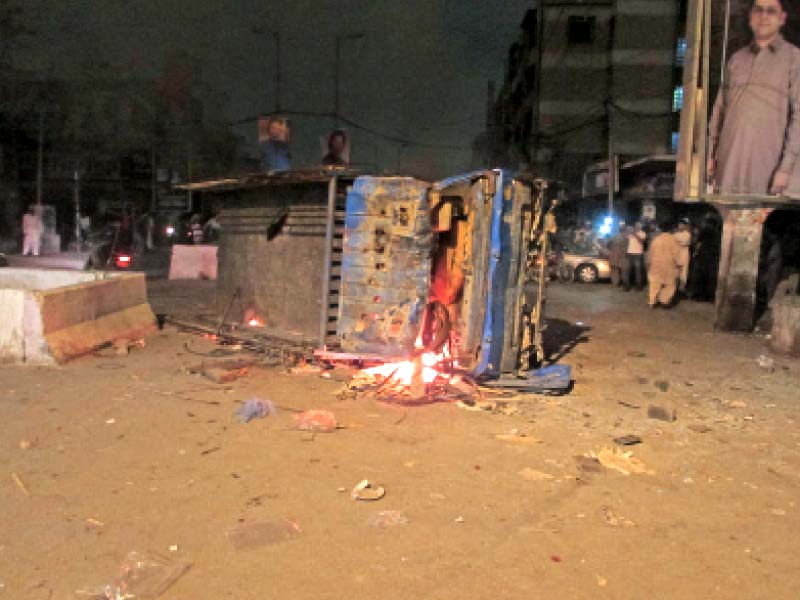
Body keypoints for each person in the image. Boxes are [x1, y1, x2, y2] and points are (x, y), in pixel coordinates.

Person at [708, 0, 800, 195]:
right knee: (729, 223)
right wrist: (709, 154)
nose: (763, 16)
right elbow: (719, 111)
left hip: (768, 170)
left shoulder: (794, 59)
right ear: (750, 16)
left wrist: (786, 169)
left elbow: (799, 116)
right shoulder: (736, 59)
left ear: (782, 18)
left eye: (771, 11)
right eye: (758, 10)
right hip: (728, 167)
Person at [648, 223, 681, 308]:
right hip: (669, 264)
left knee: (654, 283)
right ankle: (664, 301)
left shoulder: (656, 239)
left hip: (656, 264)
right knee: (669, 284)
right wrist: (679, 264)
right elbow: (676, 253)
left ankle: (652, 301)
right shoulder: (673, 240)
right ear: (671, 229)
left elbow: (651, 252)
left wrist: (649, 262)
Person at [623, 222, 647, 291]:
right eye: (635, 225)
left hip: (638, 254)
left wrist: (634, 234)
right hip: (629, 254)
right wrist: (626, 230)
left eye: (638, 226)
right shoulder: (630, 233)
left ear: (640, 227)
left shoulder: (643, 233)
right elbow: (625, 238)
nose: (636, 227)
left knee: (638, 272)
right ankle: (626, 287)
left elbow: (642, 241)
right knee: (627, 271)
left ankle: (638, 287)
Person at [673, 218, 692, 293]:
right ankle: (674, 289)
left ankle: (681, 289)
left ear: (684, 226)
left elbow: (684, 242)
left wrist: (677, 242)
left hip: (684, 255)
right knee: (676, 272)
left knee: (683, 273)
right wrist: (678, 242)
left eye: (681, 225)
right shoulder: (675, 234)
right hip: (676, 255)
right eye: (679, 225)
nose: (679, 226)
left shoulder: (687, 234)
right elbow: (672, 243)